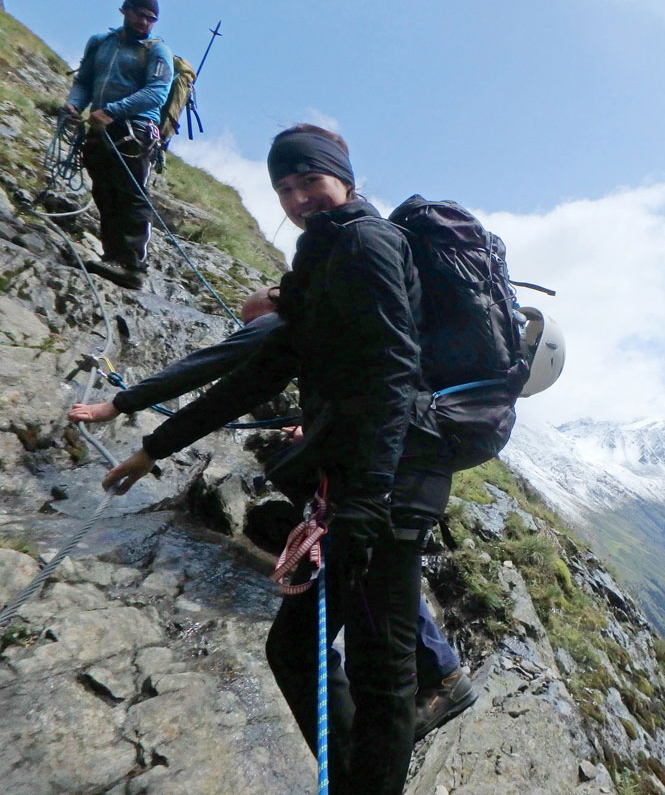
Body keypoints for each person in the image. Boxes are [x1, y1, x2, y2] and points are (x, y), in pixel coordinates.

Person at [103, 124, 470, 792]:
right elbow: (259, 371)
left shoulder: (366, 242)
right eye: (286, 188)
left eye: (311, 181)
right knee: (297, 649)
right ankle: (357, 775)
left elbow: (394, 373)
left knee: (382, 673)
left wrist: (365, 503)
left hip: (387, 488)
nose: (300, 197)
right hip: (354, 484)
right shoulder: (320, 258)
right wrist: (152, 446)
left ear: (345, 180)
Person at [76, 279, 477, 753]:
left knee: (314, 627)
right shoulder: (357, 315)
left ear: (272, 303)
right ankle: (428, 685)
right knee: (371, 571)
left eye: (250, 323)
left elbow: (215, 372)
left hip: (369, 480)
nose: (249, 332)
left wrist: (122, 408)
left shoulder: (282, 320)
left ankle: (412, 705)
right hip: (402, 463)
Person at [63, 0, 173, 290]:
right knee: (105, 191)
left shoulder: (156, 51)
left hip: (134, 130)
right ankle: (113, 258)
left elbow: (157, 93)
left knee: (131, 193)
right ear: (124, 10)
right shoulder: (101, 43)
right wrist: (74, 104)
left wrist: (111, 111)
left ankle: (132, 265)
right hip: (101, 129)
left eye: (152, 19)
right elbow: (84, 81)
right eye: (140, 15)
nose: (145, 23)